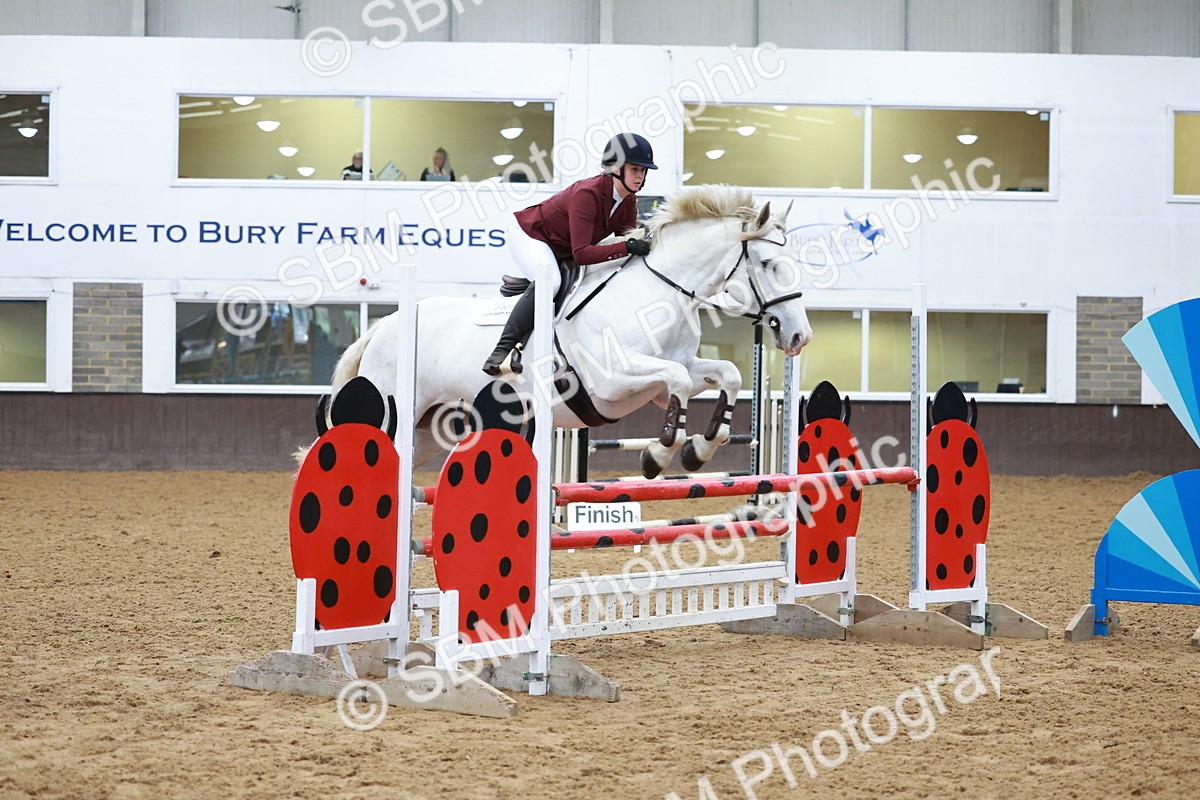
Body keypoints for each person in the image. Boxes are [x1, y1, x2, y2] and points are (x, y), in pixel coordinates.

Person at [482, 132, 656, 376]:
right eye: (635, 169)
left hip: (561, 248)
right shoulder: (588, 194)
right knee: (550, 282)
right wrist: (627, 247)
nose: (641, 176)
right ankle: (500, 352)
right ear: (615, 168)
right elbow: (584, 254)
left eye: (644, 171)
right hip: (531, 236)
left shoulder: (628, 201)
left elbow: (627, 240)